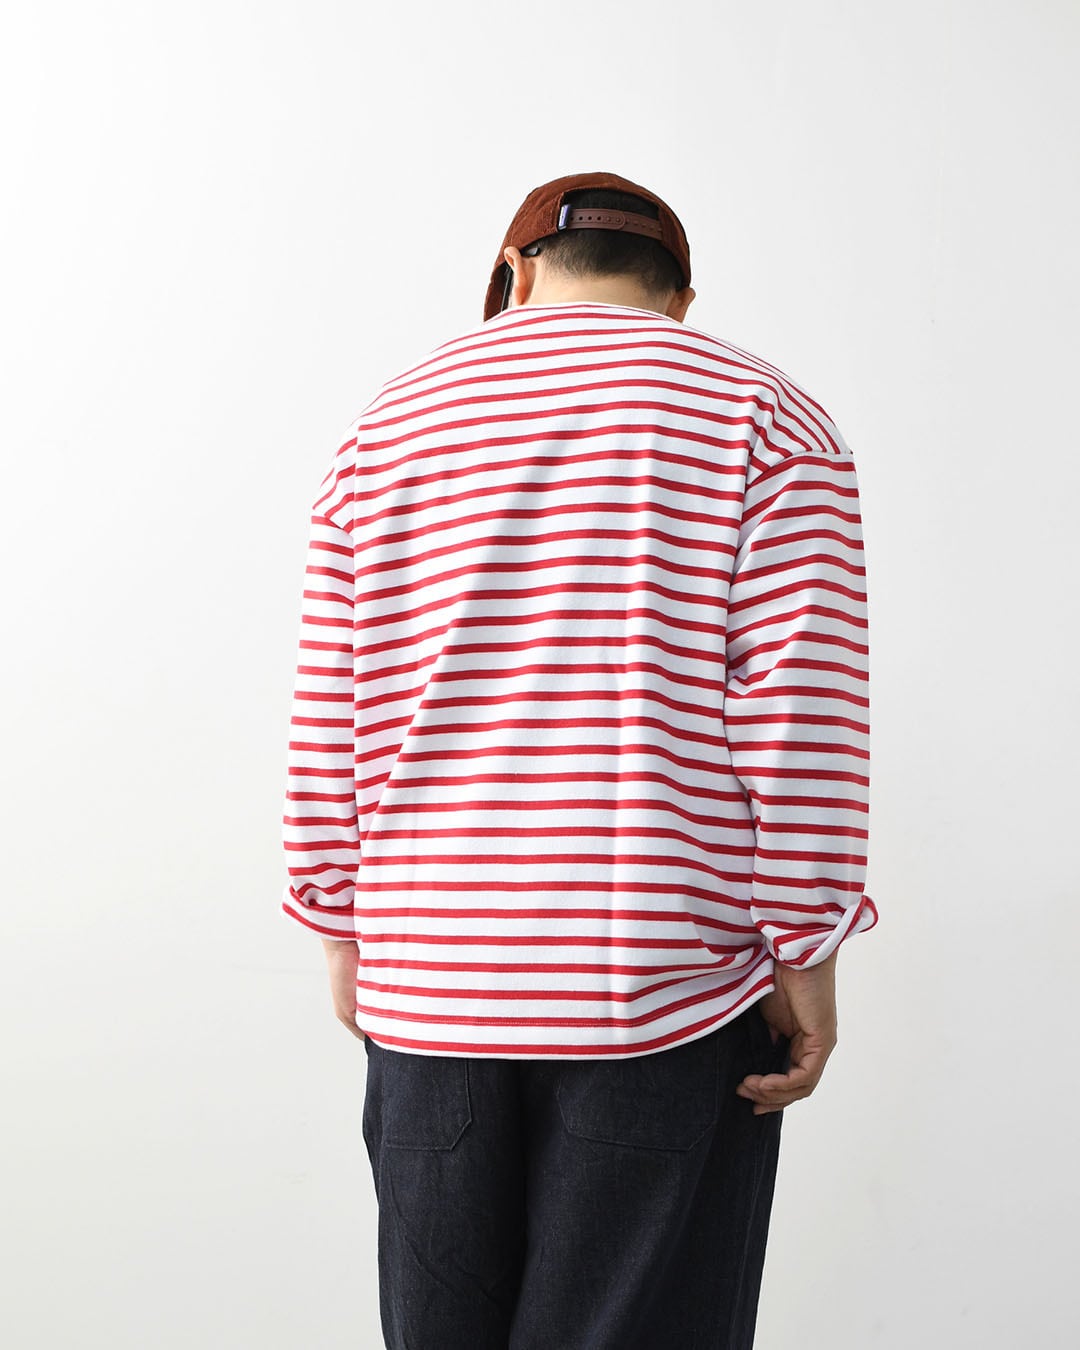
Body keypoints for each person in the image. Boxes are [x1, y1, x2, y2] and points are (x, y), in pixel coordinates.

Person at [280, 170, 879, 1349]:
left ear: (513, 276)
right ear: (681, 297)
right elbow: (801, 713)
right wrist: (805, 952)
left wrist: (339, 922)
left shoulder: (386, 424)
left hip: (431, 981)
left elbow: (328, 707)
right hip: (660, 991)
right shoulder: (765, 416)